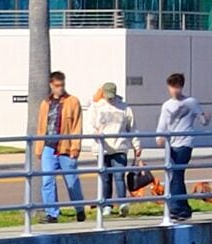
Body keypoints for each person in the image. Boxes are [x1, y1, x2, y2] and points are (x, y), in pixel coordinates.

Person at [33, 71, 85, 219]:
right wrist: (39, 148)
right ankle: (52, 213)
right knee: (48, 181)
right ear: (51, 85)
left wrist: (75, 146)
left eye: (62, 85)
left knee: (72, 181)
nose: (60, 88)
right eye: (57, 85)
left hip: (66, 147)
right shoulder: (45, 104)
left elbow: (77, 126)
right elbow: (41, 126)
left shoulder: (73, 101)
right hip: (48, 147)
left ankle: (79, 209)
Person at [154, 72, 203, 222]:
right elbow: (162, 124)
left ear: (182, 87)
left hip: (185, 143)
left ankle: (177, 208)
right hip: (171, 144)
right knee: (173, 175)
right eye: (172, 87)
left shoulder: (191, 102)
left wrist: (205, 117)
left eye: (177, 87)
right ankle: (183, 207)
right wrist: (159, 137)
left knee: (177, 174)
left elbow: (202, 118)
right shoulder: (167, 105)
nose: (175, 90)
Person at [85, 81, 136, 215]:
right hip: (102, 147)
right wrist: (94, 133)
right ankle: (106, 204)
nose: (110, 98)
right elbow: (89, 126)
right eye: (107, 95)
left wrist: (136, 145)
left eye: (112, 95)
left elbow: (132, 127)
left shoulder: (124, 108)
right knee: (105, 177)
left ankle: (122, 203)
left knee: (119, 175)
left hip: (119, 146)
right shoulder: (96, 107)